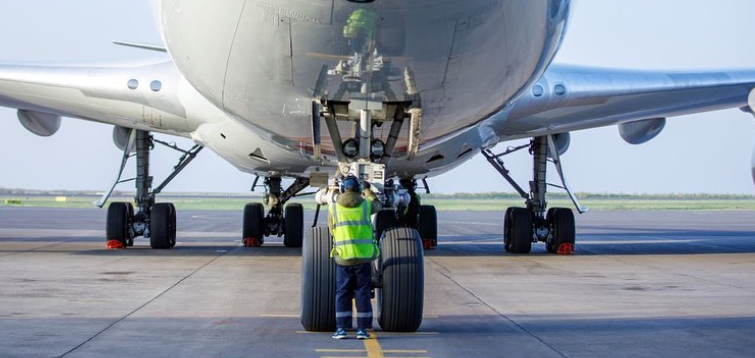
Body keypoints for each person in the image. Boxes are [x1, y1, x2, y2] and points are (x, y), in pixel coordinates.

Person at [329, 175, 381, 340]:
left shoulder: (334, 207)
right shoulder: (366, 205)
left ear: (344, 189)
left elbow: (332, 229)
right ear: (358, 190)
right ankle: (362, 330)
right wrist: (368, 190)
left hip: (344, 257)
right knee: (362, 293)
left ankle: (341, 329)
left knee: (342, 292)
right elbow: (378, 205)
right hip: (363, 258)